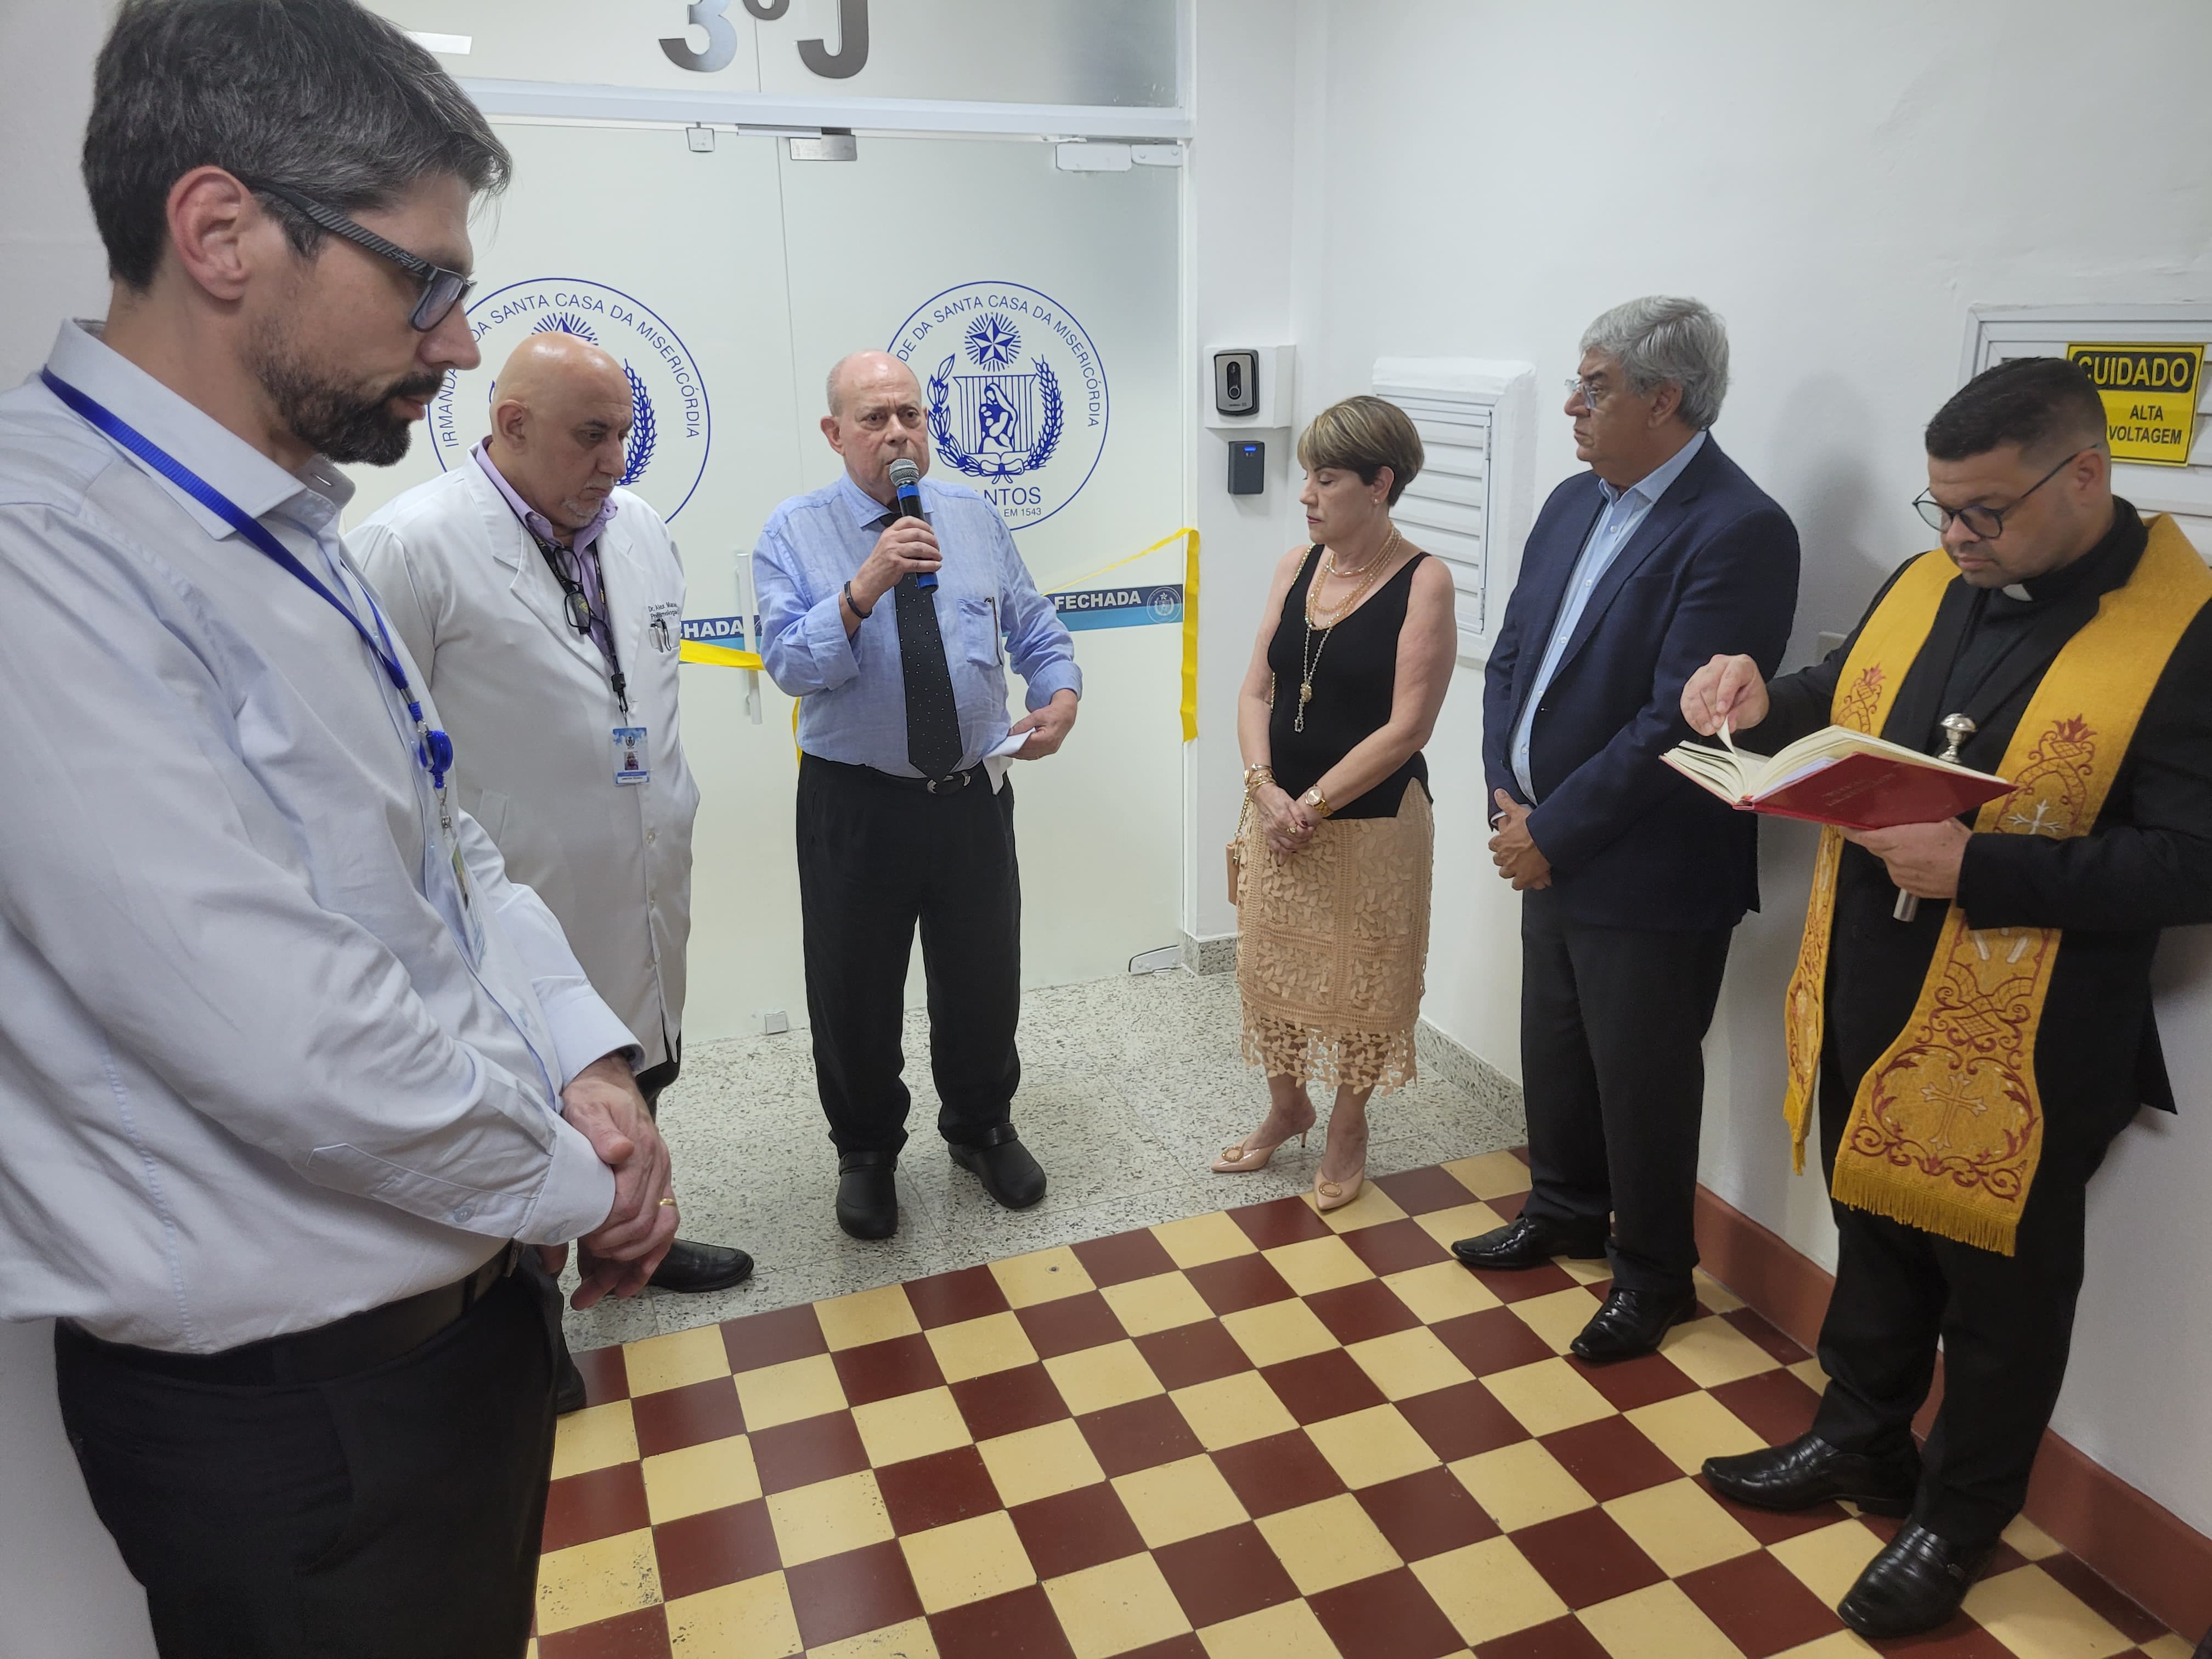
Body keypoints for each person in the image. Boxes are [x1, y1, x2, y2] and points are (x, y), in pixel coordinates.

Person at [0, 4, 680, 1654]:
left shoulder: (281, 523)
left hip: (451, 1345)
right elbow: (280, 1031)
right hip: (297, 1435)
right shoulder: (46, 554)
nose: (457, 344)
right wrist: (580, 1184)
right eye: (425, 281)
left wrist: (588, 1064)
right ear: (222, 231)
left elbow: (449, 848)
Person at [1683, 358, 2212, 1639]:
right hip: (1868, 978)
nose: (1959, 540)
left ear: (2084, 475)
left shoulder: (2186, 632)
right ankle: (1861, 1436)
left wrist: (1984, 868)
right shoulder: (1932, 580)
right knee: (1872, 1235)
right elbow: (1850, 703)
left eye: (1986, 512)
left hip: (2028, 1037)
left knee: (2000, 1305)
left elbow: (2194, 861)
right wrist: (1763, 700)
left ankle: (1957, 1520)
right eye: (1943, 509)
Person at [350, 332, 755, 1403]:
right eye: (591, 436)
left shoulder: (641, 530)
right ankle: (531, 1327)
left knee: (636, 1080)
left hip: (641, 882)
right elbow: (381, 768)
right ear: (512, 425)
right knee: (531, 1118)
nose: (614, 460)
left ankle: (639, 1236)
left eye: (624, 434)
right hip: (511, 909)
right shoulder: (409, 549)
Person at [1454, 297, 1801, 1362]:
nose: (1573, 404)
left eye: (1594, 386)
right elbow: (1513, 654)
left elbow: (1677, 721)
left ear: (1665, 398)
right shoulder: (1573, 502)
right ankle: (1564, 1208)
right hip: (1545, 835)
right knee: (1557, 1046)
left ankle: (1654, 1277)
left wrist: (1556, 829)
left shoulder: (1740, 530)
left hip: (1651, 863)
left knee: (1643, 1079)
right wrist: (1507, 791)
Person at [753, 351, 1081, 1240]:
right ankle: (866, 1151)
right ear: (835, 434)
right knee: (853, 988)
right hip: (857, 803)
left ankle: (981, 1127)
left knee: (982, 975)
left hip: (972, 792)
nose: (897, 434)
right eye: (874, 419)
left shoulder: (971, 516)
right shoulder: (794, 532)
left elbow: (1034, 624)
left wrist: (1060, 693)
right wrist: (864, 586)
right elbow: (788, 664)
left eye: (911, 415)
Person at [1219, 397, 1455, 1210]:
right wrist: (1264, 789)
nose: (1307, 496)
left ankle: (1349, 1123)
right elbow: (1255, 690)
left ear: (1380, 484)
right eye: (1307, 478)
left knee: (1367, 985)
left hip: (1373, 822)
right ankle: (1289, 1107)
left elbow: (1409, 725)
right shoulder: (1298, 565)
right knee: (1267, 969)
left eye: (1326, 479)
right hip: (1278, 813)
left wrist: (1311, 804)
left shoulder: (1424, 581)